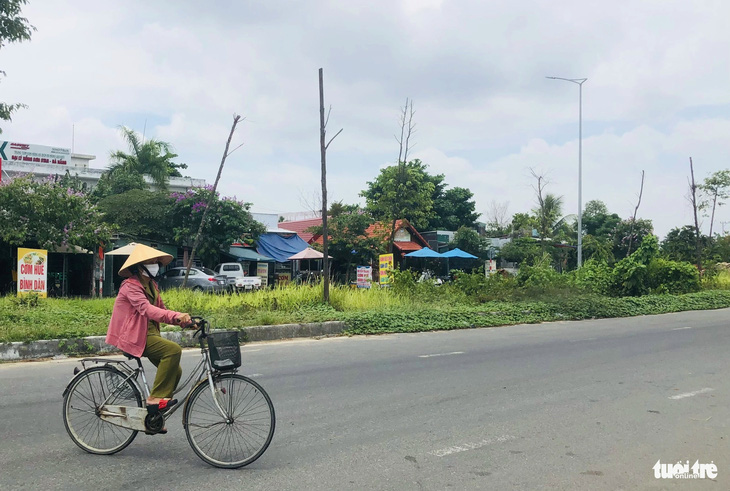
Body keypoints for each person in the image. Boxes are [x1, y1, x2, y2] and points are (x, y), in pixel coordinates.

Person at [105, 244, 192, 412]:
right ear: (140, 266)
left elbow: (162, 310)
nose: (155, 265)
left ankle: (156, 415)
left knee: (176, 371)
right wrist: (175, 315)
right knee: (173, 351)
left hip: (150, 334)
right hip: (135, 335)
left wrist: (184, 321)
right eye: (151, 262)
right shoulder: (130, 286)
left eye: (156, 262)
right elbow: (147, 309)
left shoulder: (152, 285)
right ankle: (154, 400)